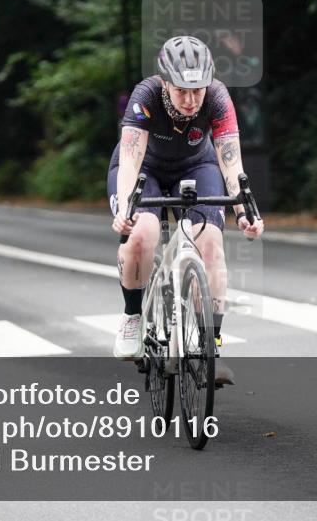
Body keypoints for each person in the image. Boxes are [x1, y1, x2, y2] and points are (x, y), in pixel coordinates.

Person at [109, 36, 265, 385]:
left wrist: (244, 212)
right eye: (182, 90)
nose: (192, 100)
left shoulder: (218, 98)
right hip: (143, 169)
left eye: (199, 90)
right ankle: (133, 314)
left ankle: (211, 349)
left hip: (196, 167)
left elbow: (231, 161)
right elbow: (131, 161)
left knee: (210, 243)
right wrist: (125, 208)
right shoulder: (145, 96)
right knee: (143, 234)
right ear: (165, 82)